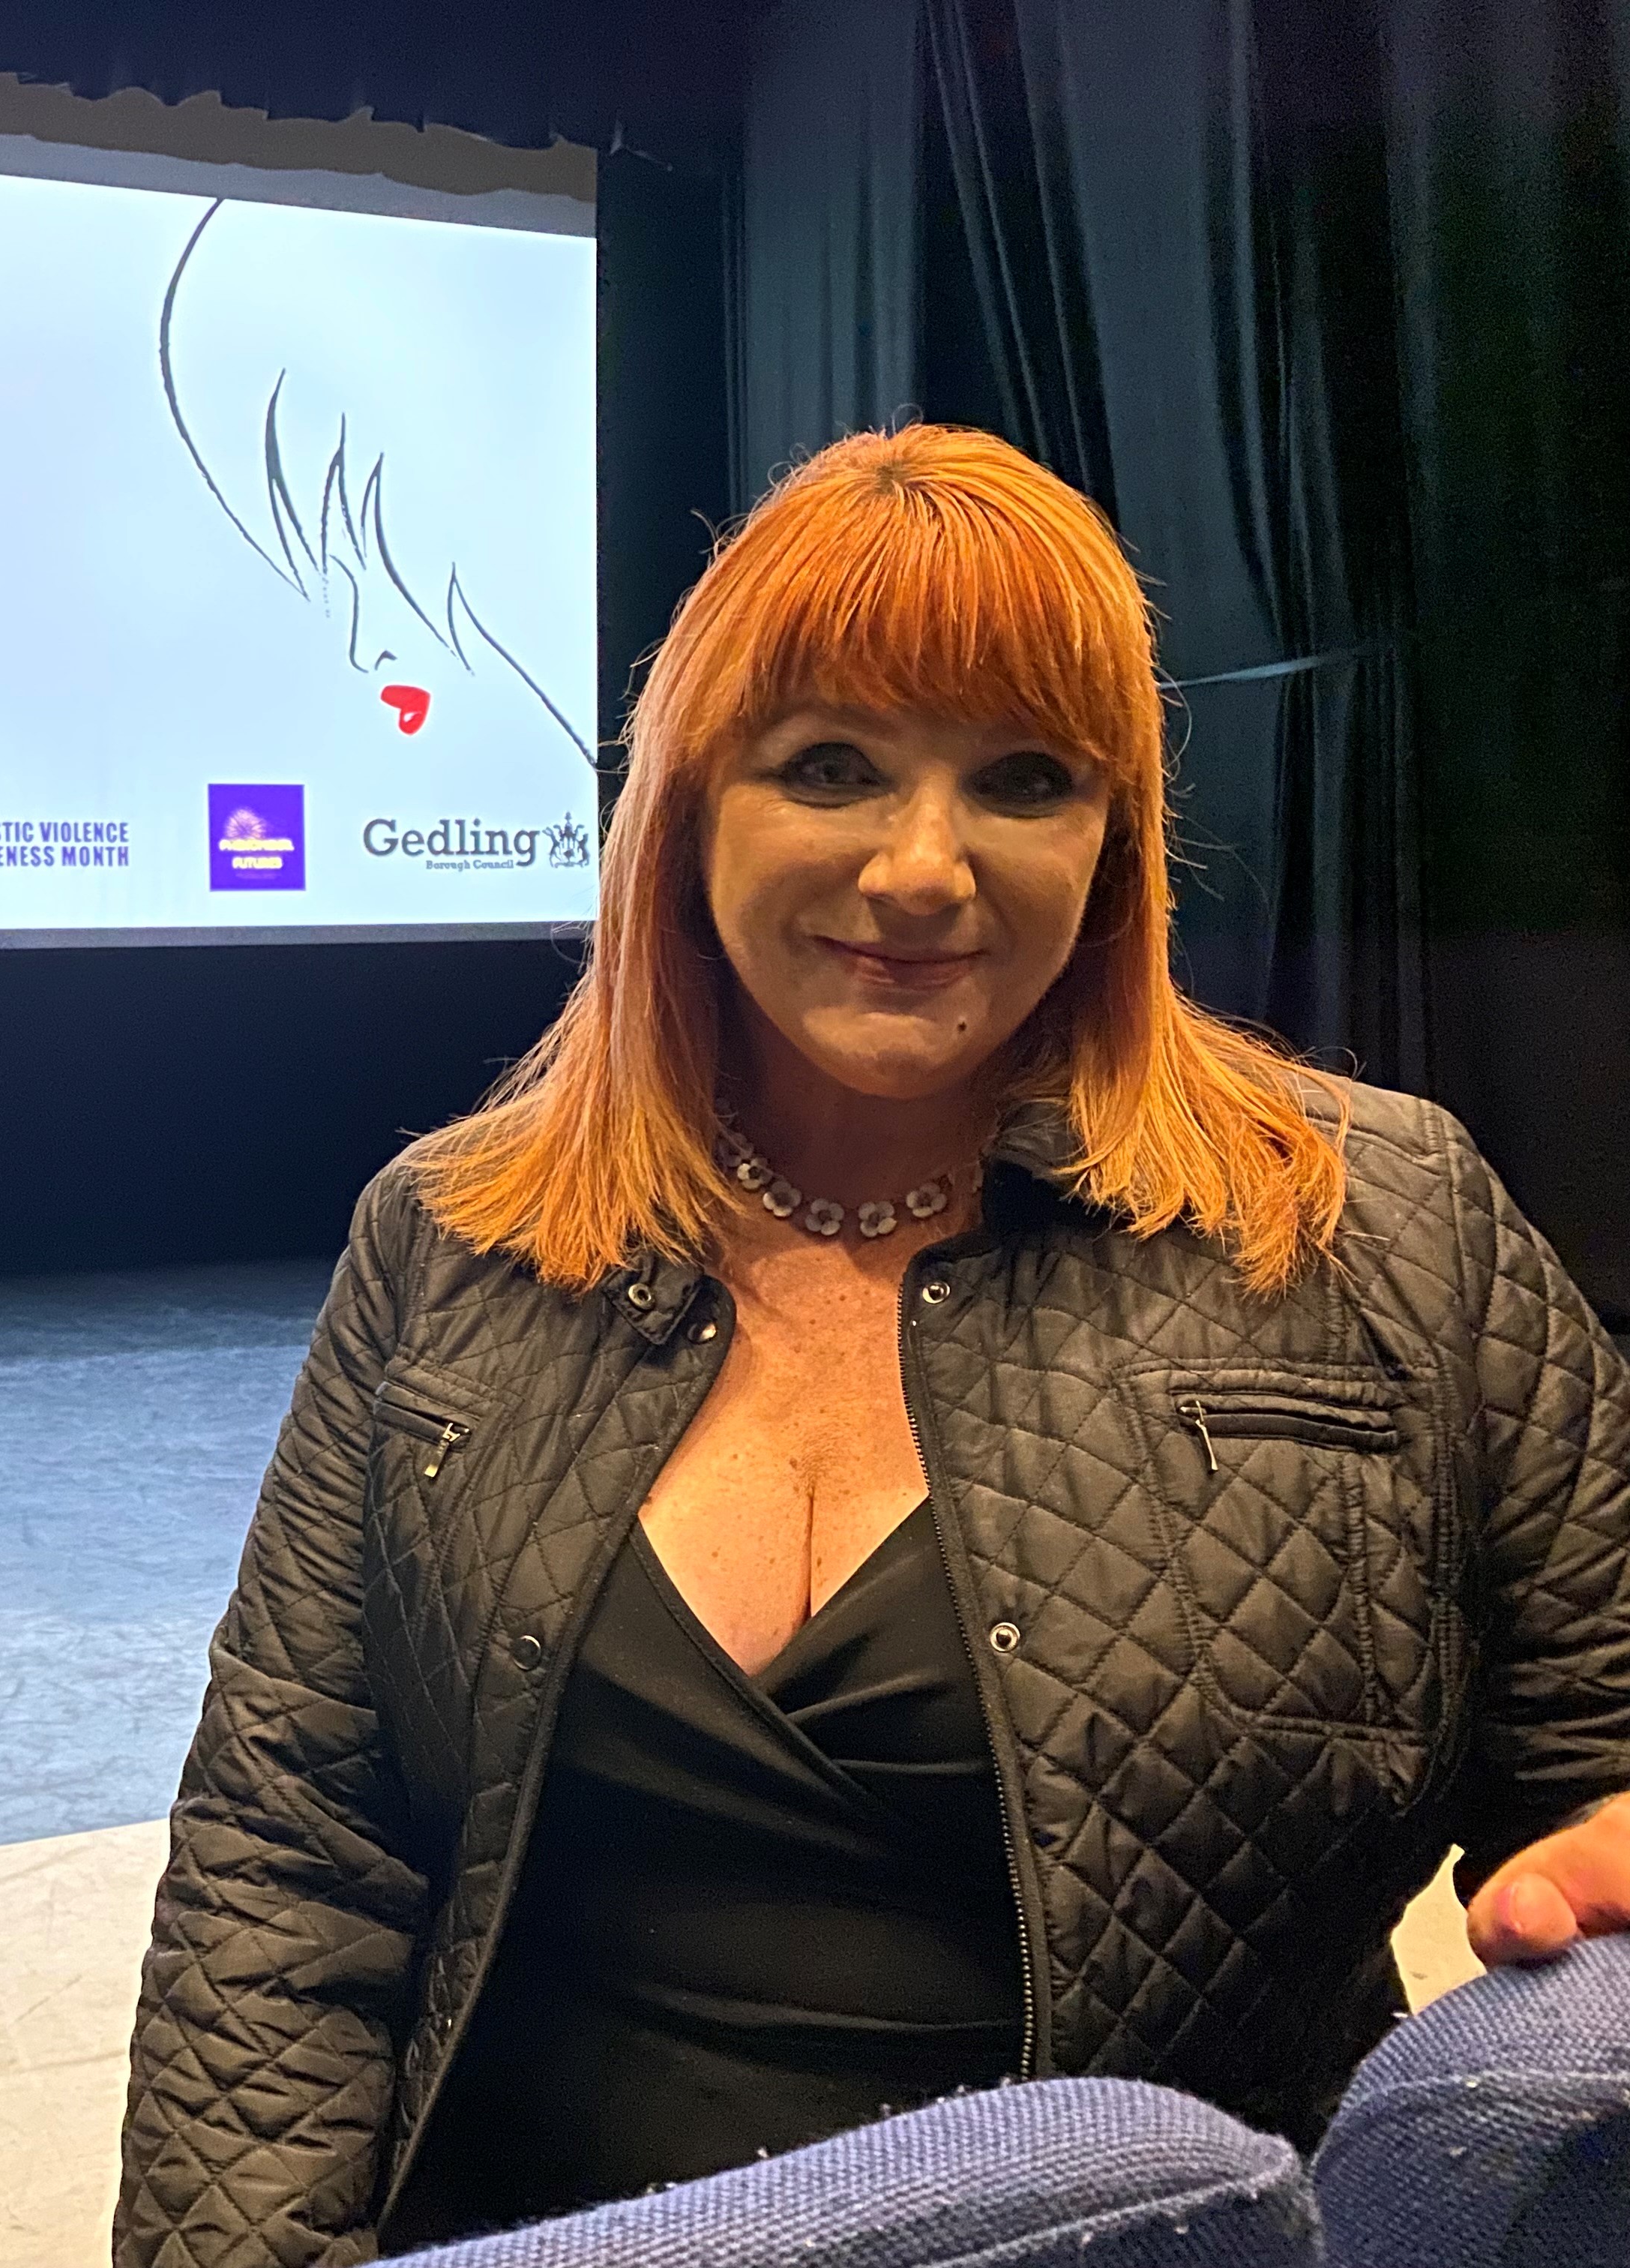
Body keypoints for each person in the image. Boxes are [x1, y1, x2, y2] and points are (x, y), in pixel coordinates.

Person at [112, 425, 1630, 2267]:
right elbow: (290, 1861)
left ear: (1116, 839)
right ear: (689, 808)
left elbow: (1599, 1763)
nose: (924, 870)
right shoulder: (450, 1237)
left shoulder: (1381, 1226)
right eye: (829, 765)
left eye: (1022, 779)